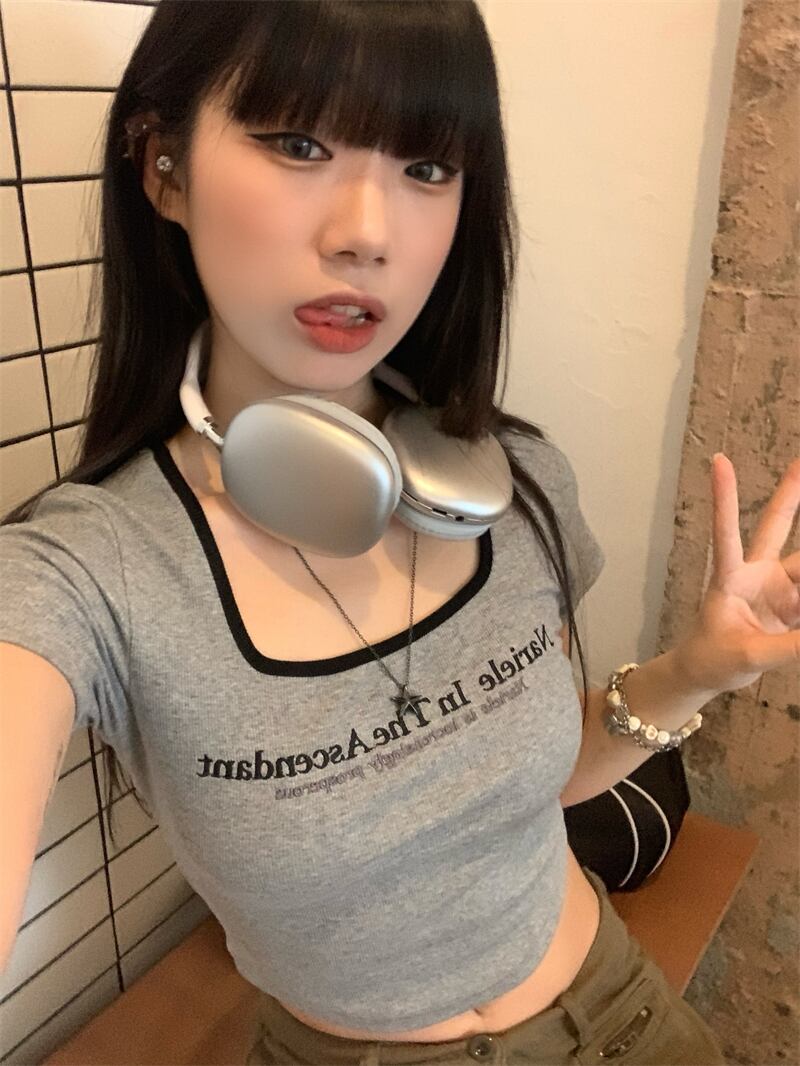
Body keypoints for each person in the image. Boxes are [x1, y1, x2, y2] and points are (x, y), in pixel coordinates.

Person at [1, 2, 754, 1063]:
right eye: (298, 144)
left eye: (427, 167)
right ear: (163, 168)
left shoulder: (508, 481)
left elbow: (533, 780)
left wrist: (696, 671)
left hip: (626, 1008)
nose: (368, 231)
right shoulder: (84, 571)